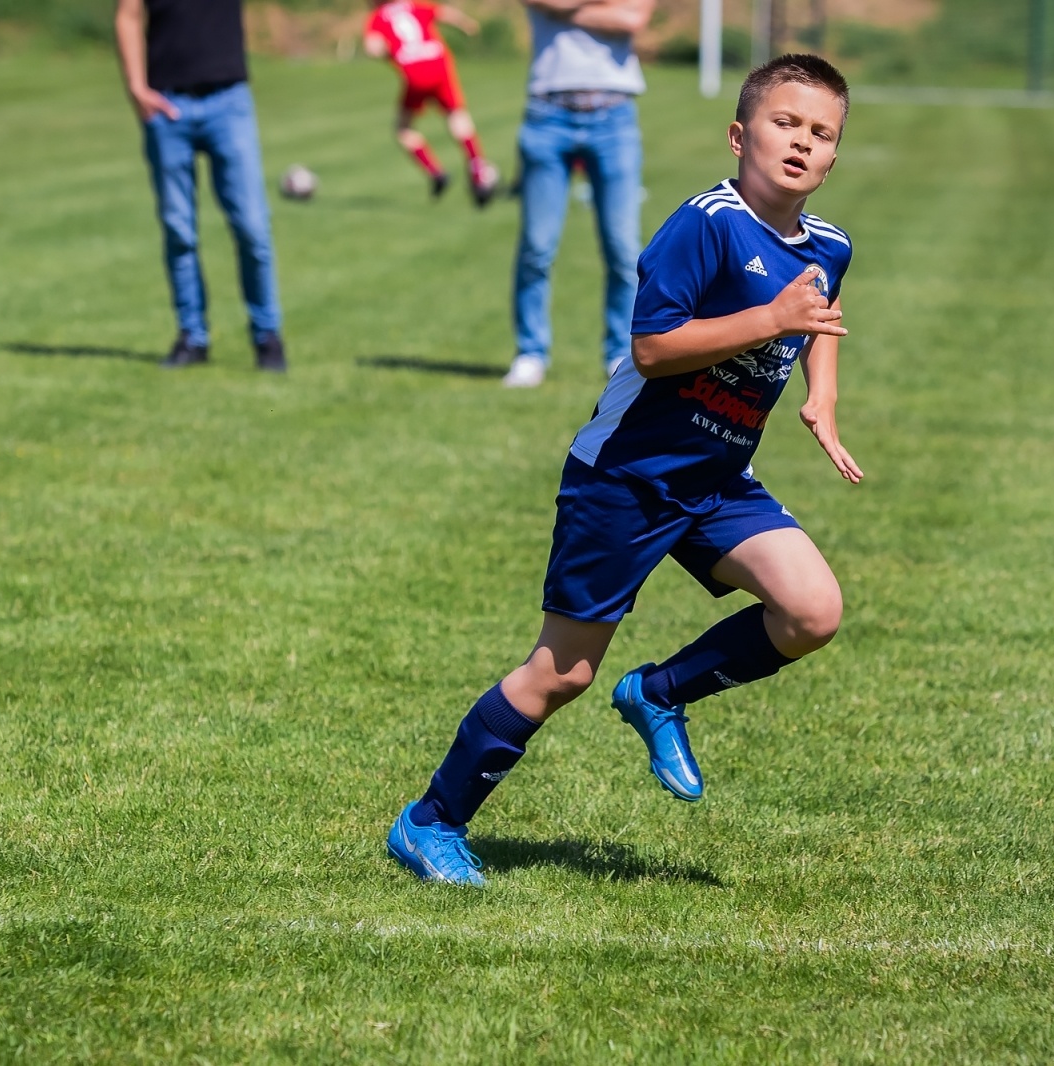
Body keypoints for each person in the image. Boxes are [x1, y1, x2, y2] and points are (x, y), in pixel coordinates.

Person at [388, 55, 862, 885]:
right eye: (785, 123)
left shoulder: (829, 243)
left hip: (716, 480)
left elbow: (818, 311)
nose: (801, 142)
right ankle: (430, 821)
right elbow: (651, 346)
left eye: (821, 134)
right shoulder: (705, 223)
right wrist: (767, 320)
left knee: (812, 610)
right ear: (740, 134)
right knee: (561, 673)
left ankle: (660, 692)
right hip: (629, 477)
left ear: (831, 159)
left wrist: (820, 396)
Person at [114, 0, 288, 372]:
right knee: (179, 230)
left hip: (228, 100)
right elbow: (128, 14)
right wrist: (135, 87)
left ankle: (267, 336)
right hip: (166, 105)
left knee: (252, 227)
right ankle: (192, 337)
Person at [501, 0, 654, 388]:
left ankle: (620, 354)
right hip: (546, 115)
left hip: (614, 117)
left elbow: (634, 17)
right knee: (537, 246)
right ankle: (530, 352)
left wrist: (565, 10)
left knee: (622, 248)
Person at [362, 0, 500, 204]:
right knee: (456, 116)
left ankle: (435, 172)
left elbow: (372, 48)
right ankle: (478, 169)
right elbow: (445, 14)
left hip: (414, 71)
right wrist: (467, 24)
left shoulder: (377, 17)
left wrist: (390, 53)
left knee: (403, 128)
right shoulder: (414, 5)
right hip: (439, 62)